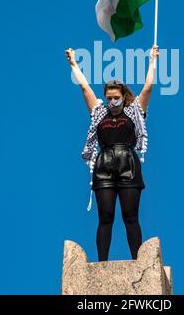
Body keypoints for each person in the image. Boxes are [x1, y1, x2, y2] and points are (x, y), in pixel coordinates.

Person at [65, 45, 159, 261]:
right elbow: (84, 88)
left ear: (122, 96)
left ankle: (138, 261)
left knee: (130, 216)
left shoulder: (134, 111)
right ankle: (102, 263)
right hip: (104, 165)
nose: (112, 101)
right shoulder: (99, 112)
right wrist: (73, 64)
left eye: (115, 97)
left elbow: (148, 88)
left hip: (128, 164)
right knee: (105, 217)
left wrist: (152, 61)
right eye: (109, 97)